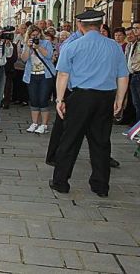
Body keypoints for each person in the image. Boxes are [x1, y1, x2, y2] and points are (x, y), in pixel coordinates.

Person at [50, 10, 129, 198]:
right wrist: (119, 99)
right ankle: (100, 185)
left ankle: (61, 181)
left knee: (70, 139)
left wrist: (60, 99)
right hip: (105, 97)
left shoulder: (73, 46)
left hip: (81, 97)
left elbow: (62, 75)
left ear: (80, 26)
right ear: (101, 25)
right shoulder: (114, 47)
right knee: (101, 142)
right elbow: (123, 75)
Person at [21, 25, 56, 134]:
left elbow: (49, 55)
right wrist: (29, 47)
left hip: (45, 75)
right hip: (32, 75)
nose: (36, 37)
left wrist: (39, 47)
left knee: (43, 100)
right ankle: (34, 122)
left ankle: (44, 124)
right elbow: (24, 59)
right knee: (34, 100)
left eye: (37, 35)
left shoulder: (46, 43)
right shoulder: (28, 44)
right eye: (33, 35)